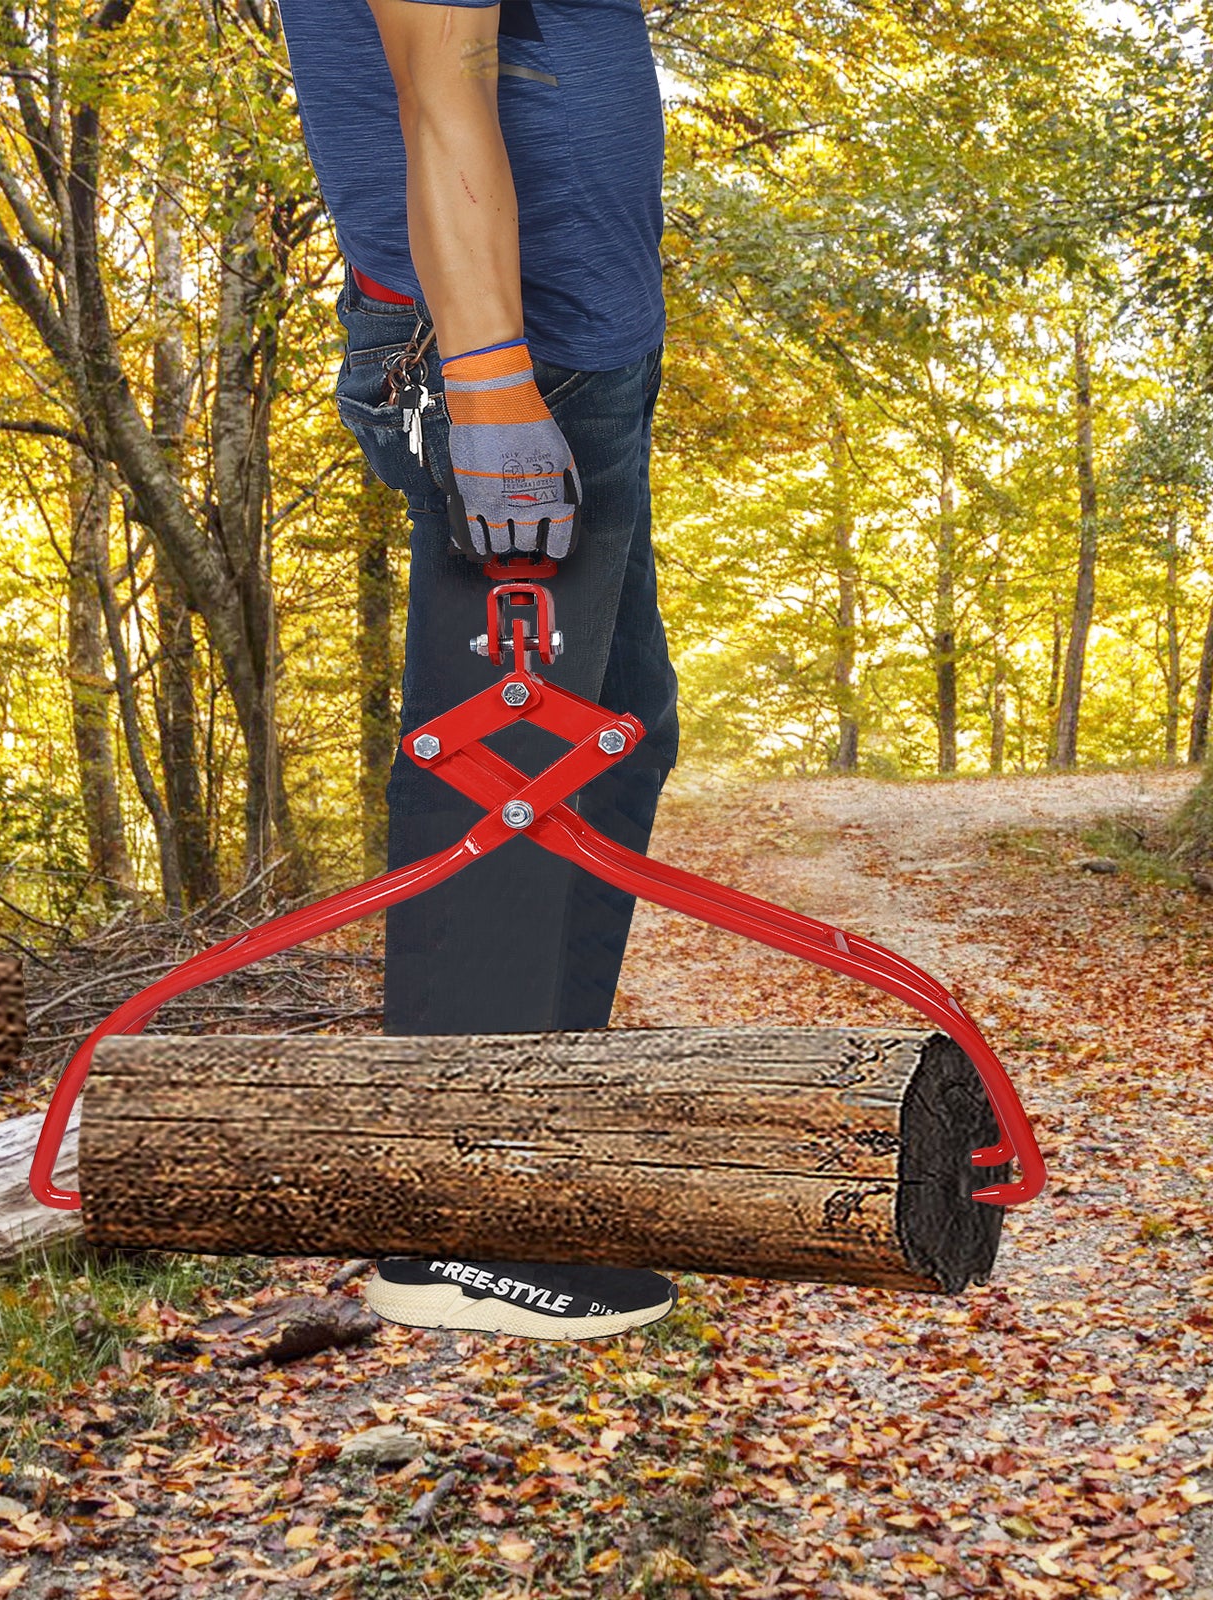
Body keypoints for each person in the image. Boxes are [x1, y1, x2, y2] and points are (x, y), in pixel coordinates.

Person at [276, 0, 681, 1339]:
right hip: (514, 354)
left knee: (610, 741)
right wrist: (495, 379)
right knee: (510, 765)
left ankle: (528, 1175)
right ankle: (454, 1227)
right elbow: (436, 88)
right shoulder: (504, 368)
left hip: (570, 349)